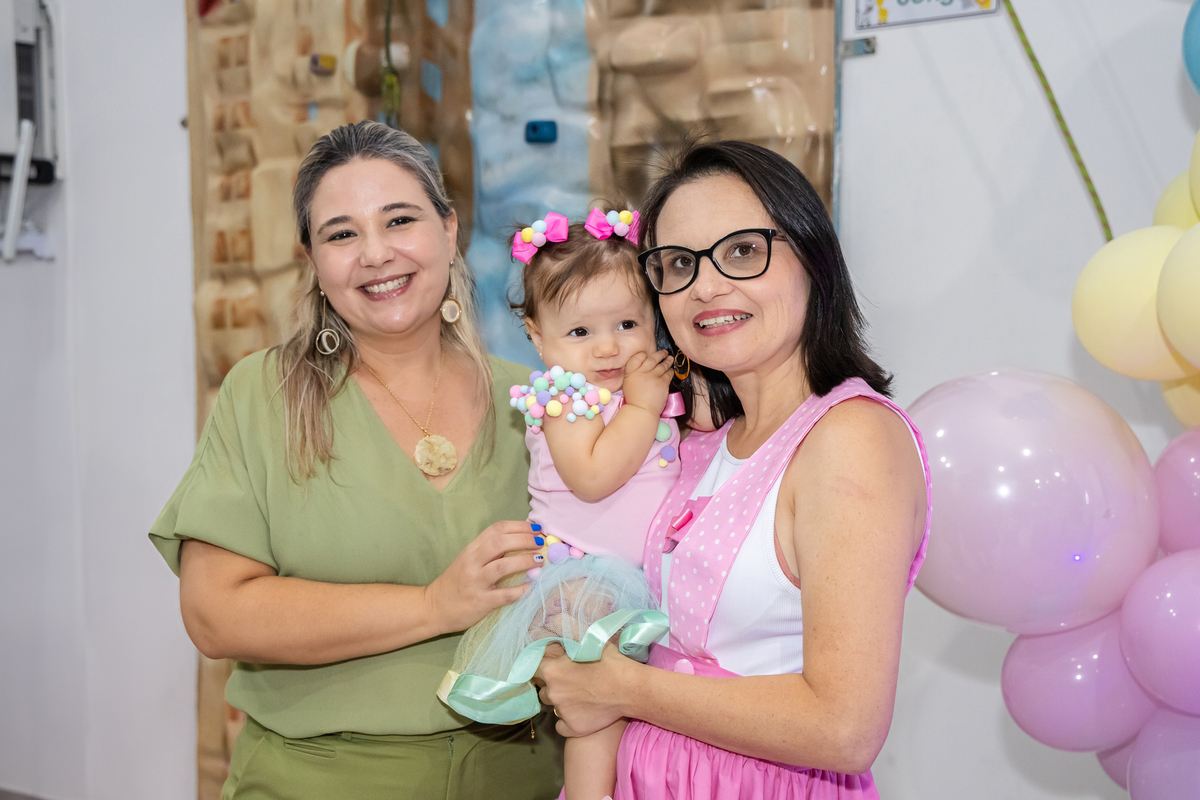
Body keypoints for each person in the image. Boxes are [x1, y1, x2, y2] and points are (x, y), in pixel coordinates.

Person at [149, 120, 563, 799]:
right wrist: (433, 606)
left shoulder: (538, 401)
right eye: (341, 234)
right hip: (319, 777)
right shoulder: (266, 395)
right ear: (312, 260)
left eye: (399, 219)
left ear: (449, 228)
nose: (376, 253)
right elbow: (214, 613)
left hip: (519, 773)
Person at [533, 140, 932, 799]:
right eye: (679, 264)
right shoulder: (700, 439)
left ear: (811, 257)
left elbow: (845, 727)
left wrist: (620, 687)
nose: (708, 287)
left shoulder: (850, 437)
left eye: (743, 251)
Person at [438, 208, 681, 800]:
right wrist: (645, 408)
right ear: (537, 337)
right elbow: (593, 477)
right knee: (597, 714)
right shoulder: (561, 399)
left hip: (644, 576)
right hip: (583, 579)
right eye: (579, 332)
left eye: (627, 323)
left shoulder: (643, 390)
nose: (608, 348)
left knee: (645, 713)